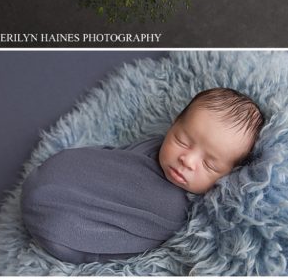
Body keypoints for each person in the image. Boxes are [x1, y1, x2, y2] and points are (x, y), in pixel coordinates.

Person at [21, 88, 265, 263]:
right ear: (173, 124)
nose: (187, 160)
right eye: (182, 140)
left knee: (63, 234)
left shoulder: (187, 212)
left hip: (55, 229)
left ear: (229, 175)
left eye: (209, 164)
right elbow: (109, 161)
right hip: (53, 177)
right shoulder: (151, 148)